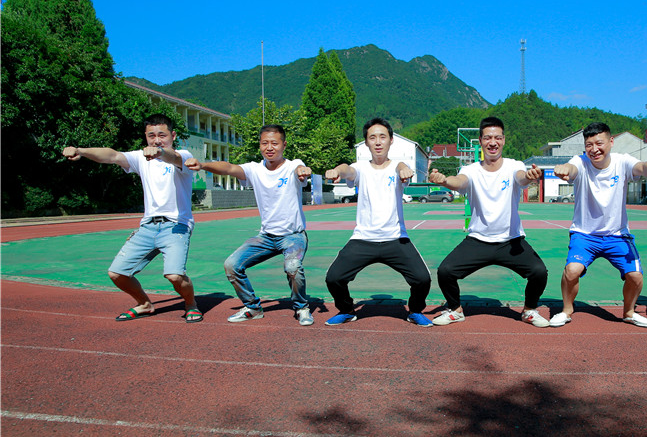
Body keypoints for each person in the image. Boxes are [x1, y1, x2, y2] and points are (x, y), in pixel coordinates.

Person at [62, 114, 202, 322]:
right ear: (145, 136)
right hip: (148, 226)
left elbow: (172, 157)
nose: (157, 140)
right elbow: (112, 155)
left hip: (176, 226)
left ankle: (191, 304)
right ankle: (144, 304)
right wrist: (81, 151)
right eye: (151, 136)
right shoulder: (140, 158)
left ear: (173, 135)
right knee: (117, 273)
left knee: (174, 275)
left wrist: (160, 152)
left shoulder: (184, 155)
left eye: (162, 135)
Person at [545, 122, 647, 328]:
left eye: (599, 143)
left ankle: (629, 313)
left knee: (635, 276)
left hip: (617, 235)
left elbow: (643, 167)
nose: (594, 149)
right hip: (585, 235)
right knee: (572, 271)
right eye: (589, 145)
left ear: (611, 141)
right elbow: (571, 169)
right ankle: (566, 310)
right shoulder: (580, 162)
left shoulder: (622, 162)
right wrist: (563, 169)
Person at [185, 125, 314, 325]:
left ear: (284, 145)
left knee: (292, 266)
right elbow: (228, 168)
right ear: (259, 145)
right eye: (264, 143)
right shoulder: (254, 169)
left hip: (293, 236)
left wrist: (303, 172)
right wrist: (202, 165)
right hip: (266, 237)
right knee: (232, 265)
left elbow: (301, 169)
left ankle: (301, 307)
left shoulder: (293, 166)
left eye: (274, 143)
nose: (269, 147)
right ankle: (253, 307)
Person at [429, 116, 550, 327]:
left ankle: (529, 310)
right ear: (480, 141)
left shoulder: (514, 166)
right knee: (445, 271)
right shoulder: (470, 170)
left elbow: (521, 177)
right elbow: (459, 182)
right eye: (487, 138)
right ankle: (456, 310)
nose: (492, 142)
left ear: (503, 140)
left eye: (497, 138)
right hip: (478, 240)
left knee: (539, 272)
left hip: (511, 241)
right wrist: (445, 180)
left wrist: (530, 176)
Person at [323, 117, 433, 327]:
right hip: (363, 239)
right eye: (372, 137)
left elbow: (402, 168)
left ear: (391, 140)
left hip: (396, 239)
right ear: (366, 143)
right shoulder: (361, 168)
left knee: (422, 279)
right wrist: (337, 170)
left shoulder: (399, 168)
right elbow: (347, 169)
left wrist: (404, 169)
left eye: (383, 137)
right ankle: (346, 310)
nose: (378, 142)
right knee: (334, 278)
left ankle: (415, 310)